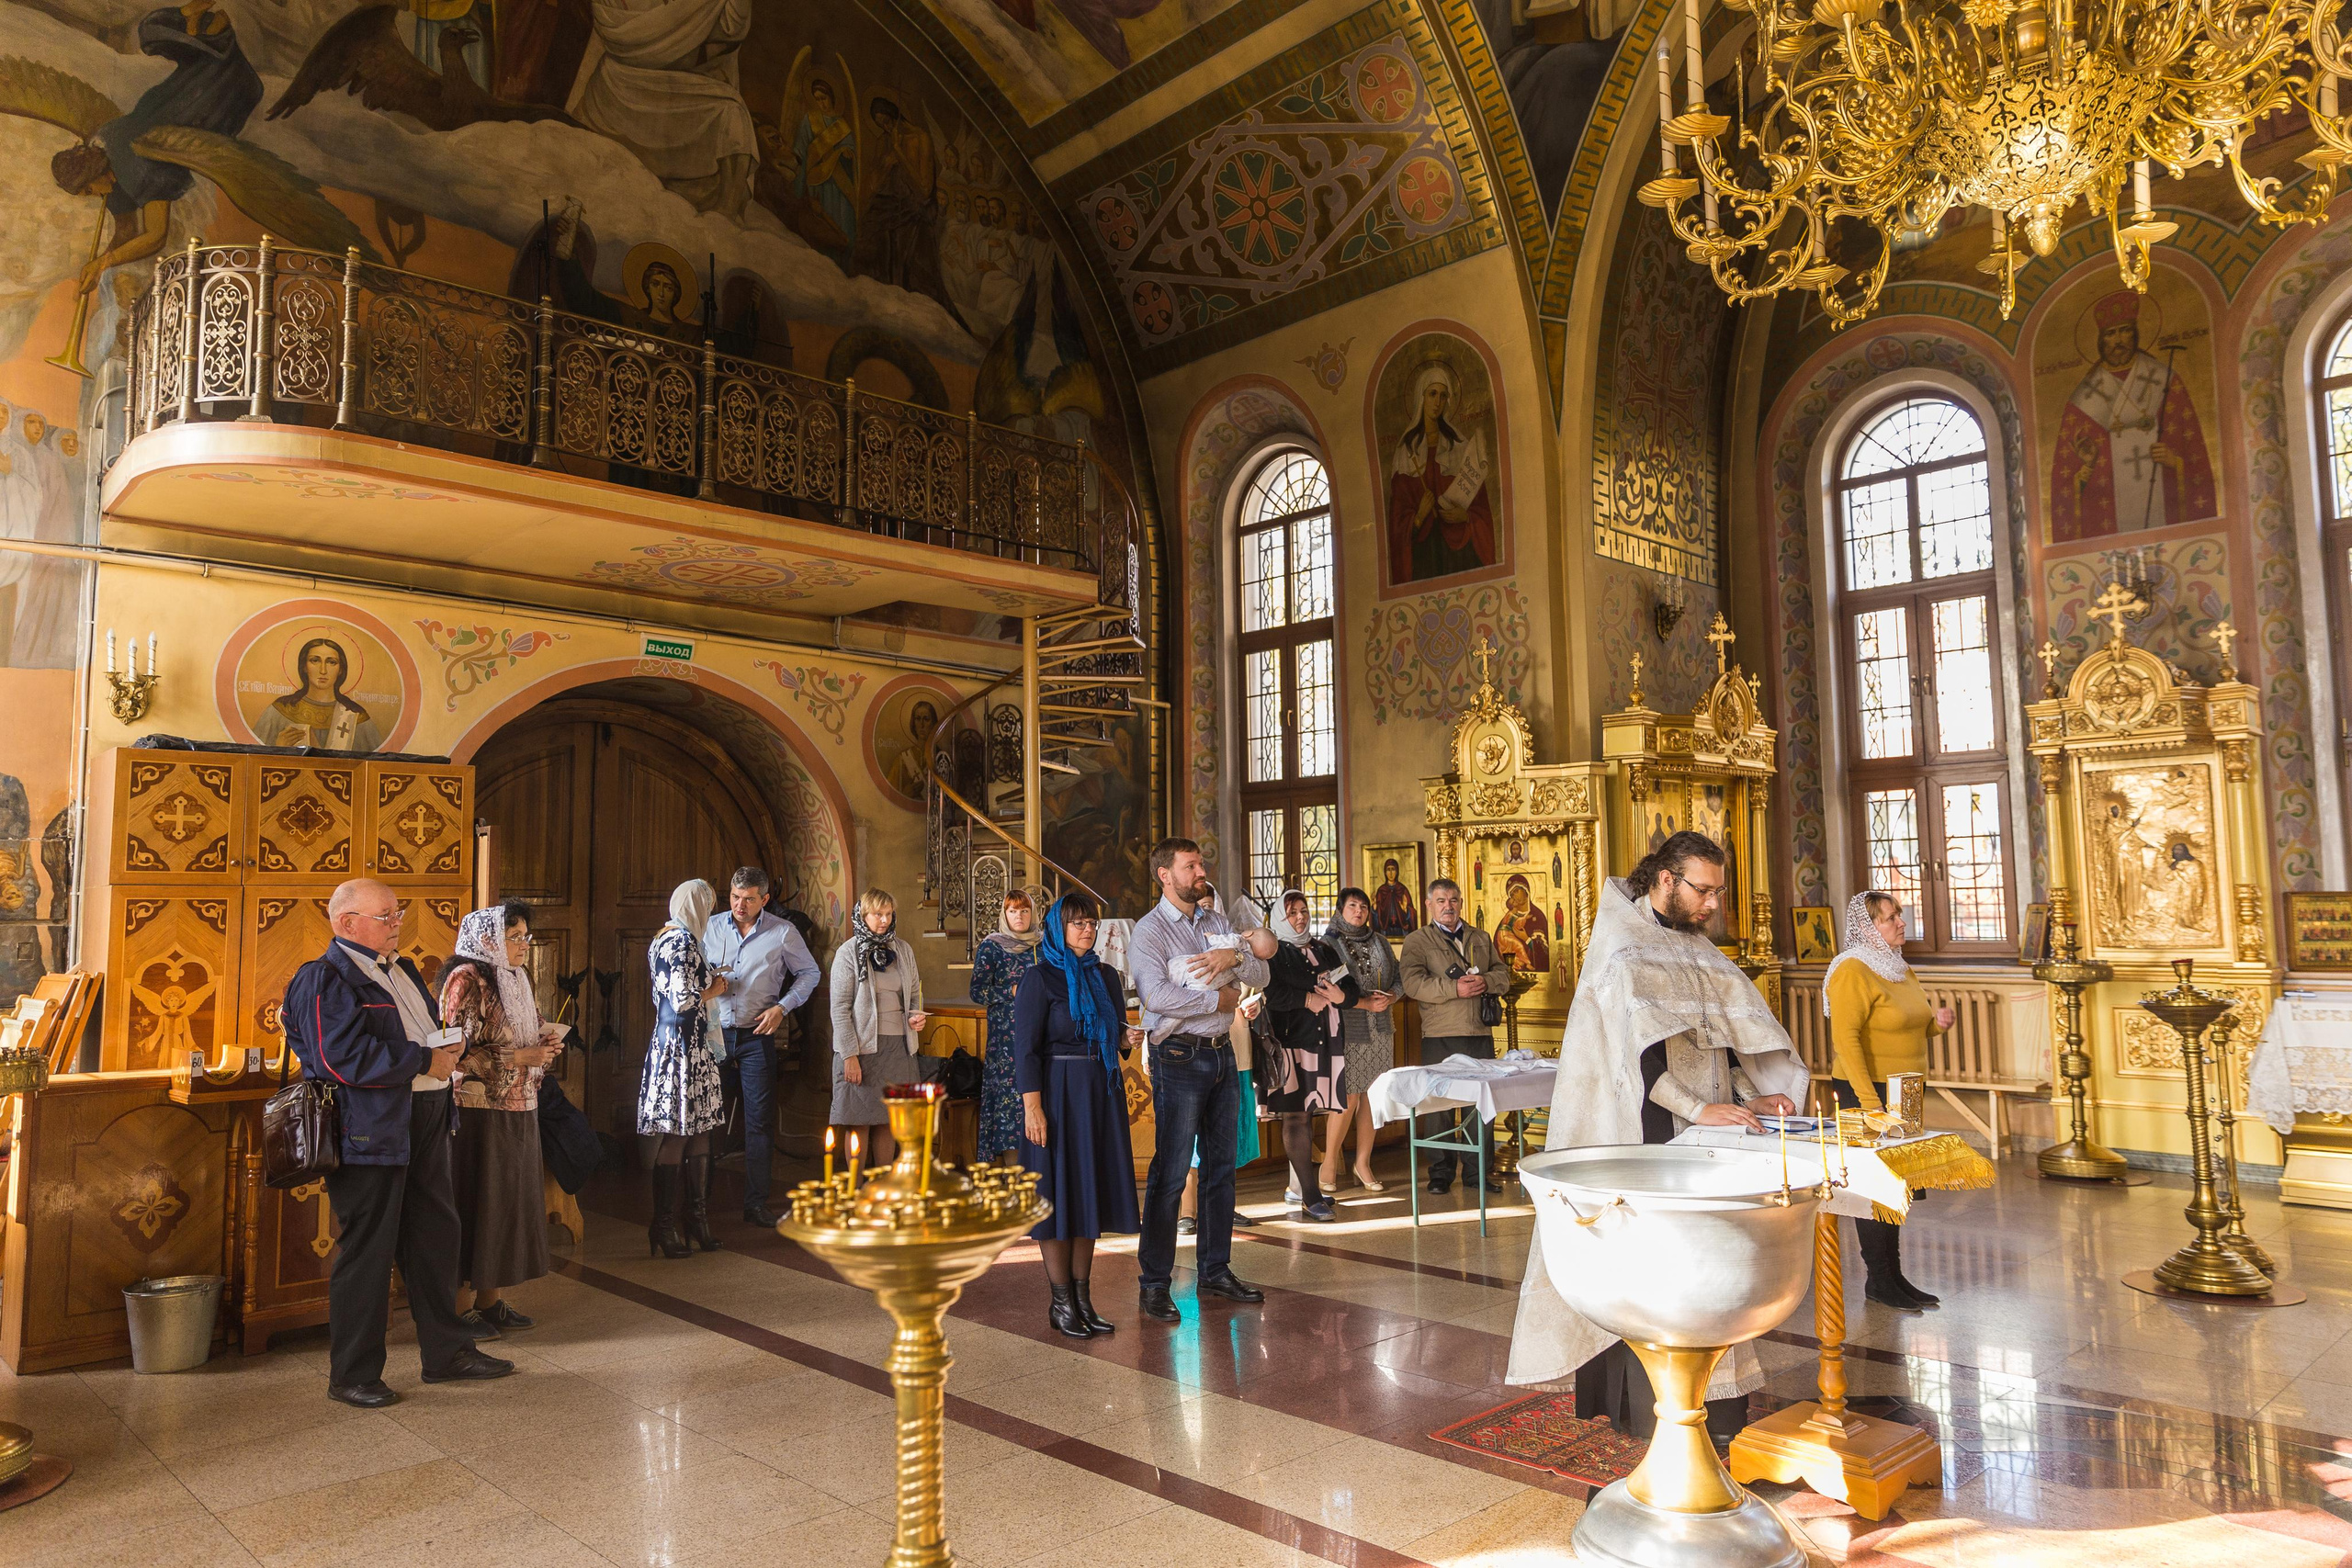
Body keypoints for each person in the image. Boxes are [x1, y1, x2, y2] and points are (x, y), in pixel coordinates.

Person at [1506, 831, 1809, 1444]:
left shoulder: (1695, 945)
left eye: (1718, 892)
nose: (1713, 905)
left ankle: (1716, 1408)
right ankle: (1653, 1411)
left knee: (1713, 1270)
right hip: (1645, 1134)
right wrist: (1702, 1108)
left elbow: (1722, 1035)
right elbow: (1635, 1058)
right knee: (1657, 1276)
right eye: (1703, 890)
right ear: (1665, 880)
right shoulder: (1621, 943)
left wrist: (1750, 1095)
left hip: (1705, 1130)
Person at [282, 877, 513, 1406]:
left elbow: (416, 1034)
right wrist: (422, 1060)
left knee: (435, 1237)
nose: (397, 924)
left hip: (427, 1114)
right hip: (371, 1129)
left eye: (397, 913)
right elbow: (338, 1060)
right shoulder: (323, 978)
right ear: (346, 924)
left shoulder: (403, 969)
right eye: (384, 916)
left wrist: (445, 1050)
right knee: (369, 1250)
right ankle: (353, 1375)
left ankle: (447, 1353)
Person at [1128, 838, 1272, 1323]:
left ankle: (1215, 1269)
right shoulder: (1149, 932)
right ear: (1165, 875)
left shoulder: (1216, 921)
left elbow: (1261, 970)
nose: (1200, 871)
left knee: (1220, 1168)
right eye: (1190, 865)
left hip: (1222, 1054)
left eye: (1202, 863)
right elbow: (1158, 995)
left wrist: (1232, 960)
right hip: (1179, 1055)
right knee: (1170, 1175)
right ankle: (1154, 1283)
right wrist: (1221, 1001)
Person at [1015, 893, 1144, 1337]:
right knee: (1057, 1194)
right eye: (1077, 924)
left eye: (1092, 923)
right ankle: (1061, 1302)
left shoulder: (1105, 976)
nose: (1087, 930)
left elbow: (1112, 1038)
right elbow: (1025, 1050)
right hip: (1054, 1094)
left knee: (1088, 1192)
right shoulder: (1040, 978)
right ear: (1058, 928)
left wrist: (1128, 1039)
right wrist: (1033, 1108)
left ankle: (1085, 1300)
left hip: (1099, 1094)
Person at [1826, 889, 1953, 1311]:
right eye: (1889, 918)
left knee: (1898, 1187)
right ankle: (1878, 1279)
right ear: (1867, 928)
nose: (1901, 922)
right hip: (1869, 1091)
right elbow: (1845, 1040)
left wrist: (1938, 1025)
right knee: (1873, 1188)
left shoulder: (1897, 968)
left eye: (1899, 914)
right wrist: (1868, 1104)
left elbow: (1912, 1025)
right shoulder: (1852, 970)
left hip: (1906, 1089)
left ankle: (1894, 1276)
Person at [442, 901, 562, 1338]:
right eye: (515, 937)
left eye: (526, 937)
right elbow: (454, 1052)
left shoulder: (515, 979)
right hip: (477, 1111)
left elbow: (522, 1028)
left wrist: (544, 1042)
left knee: (505, 1206)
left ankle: (490, 1303)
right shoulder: (466, 979)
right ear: (488, 939)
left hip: (519, 1105)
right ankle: (457, 1309)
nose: (523, 946)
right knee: (477, 1202)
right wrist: (518, 1056)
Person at [704, 867, 820, 1227]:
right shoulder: (709, 927)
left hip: (758, 1035)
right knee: (707, 1120)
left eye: (749, 899)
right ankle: (698, 1202)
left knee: (759, 1122)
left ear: (765, 899)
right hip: (715, 1035)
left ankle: (755, 1205)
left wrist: (782, 1007)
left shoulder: (783, 932)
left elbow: (810, 973)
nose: (740, 905)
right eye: (735, 897)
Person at [1397, 878, 1514, 1195]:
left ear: (1460, 903)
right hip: (1440, 1034)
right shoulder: (1417, 941)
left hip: (1479, 1031)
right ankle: (1440, 1174)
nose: (1448, 906)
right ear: (1429, 905)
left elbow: (1503, 975)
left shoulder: (1480, 936)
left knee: (1481, 1106)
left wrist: (1486, 982)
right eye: (1441, 901)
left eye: (1453, 900)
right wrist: (1454, 988)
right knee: (1440, 1107)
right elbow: (1412, 983)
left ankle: (1478, 1174)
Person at [642, 879, 727, 1259]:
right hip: (682, 1047)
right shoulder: (682, 942)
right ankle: (664, 1225)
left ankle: (696, 1219)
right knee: (681, 1131)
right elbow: (681, 998)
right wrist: (715, 988)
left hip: (684, 1043)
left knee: (700, 1129)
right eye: (706, 905)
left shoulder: (666, 936)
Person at [1262, 891, 1357, 1222]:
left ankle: (1305, 1190)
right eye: (1292, 913)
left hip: (1326, 1041)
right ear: (1279, 918)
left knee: (1313, 1111)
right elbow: (1271, 993)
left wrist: (1340, 994)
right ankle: (1309, 1194)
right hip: (1292, 1044)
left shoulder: (1324, 949)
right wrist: (1306, 999)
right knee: (1296, 1116)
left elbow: (1351, 988)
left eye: (1304, 911)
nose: (1300, 918)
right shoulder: (1275, 952)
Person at [830, 888, 928, 1165]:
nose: (884, 920)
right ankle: (856, 1191)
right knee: (859, 1121)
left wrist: (914, 1017)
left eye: (888, 914)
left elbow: (913, 994)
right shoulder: (847, 953)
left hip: (898, 1048)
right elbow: (839, 1008)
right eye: (877, 914)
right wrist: (849, 1056)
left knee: (888, 1120)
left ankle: (883, 1189)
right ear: (863, 915)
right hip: (861, 1049)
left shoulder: (903, 950)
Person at [1321, 886, 1399, 1194]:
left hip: (1381, 1028)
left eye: (1364, 906)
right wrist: (1364, 1003)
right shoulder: (1329, 943)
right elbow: (1329, 986)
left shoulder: (1380, 941)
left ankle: (1363, 1162)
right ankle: (1329, 1162)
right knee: (1347, 1097)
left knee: (1373, 1097)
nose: (1359, 911)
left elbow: (1399, 978)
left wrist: (1392, 996)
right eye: (1352, 905)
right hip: (1348, 1028)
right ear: (1341, 909)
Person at [972, 886, 1047, 1163]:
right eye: (1013, 911)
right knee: (1009, 1107)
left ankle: (1037, 1176)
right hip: (1005, 1043)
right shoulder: (992, 946)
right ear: (1005, 914)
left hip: (1040, 1035)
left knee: (1039, 1101)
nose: (1019, 916)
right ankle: (1012, 1174)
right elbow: (978, 991)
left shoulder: (1044, 944)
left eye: (1024, 910)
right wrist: (1011, 992)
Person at [254, 637, 383, 752]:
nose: (323, 670)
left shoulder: (356, 716)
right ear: (304, 666)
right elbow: (253, 756)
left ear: (341, 669)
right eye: (315, 660)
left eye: (331, 662)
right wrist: (279, 749)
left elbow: (379, 761)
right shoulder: (280, 710)